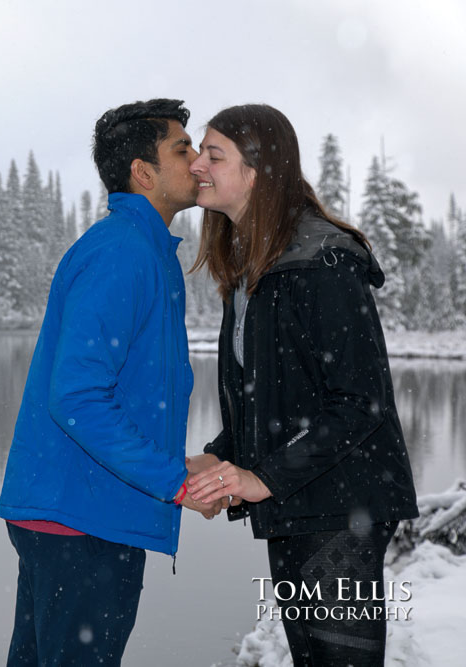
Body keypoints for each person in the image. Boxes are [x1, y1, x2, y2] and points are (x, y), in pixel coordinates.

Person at [185, 104, 419, 667]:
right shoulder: (254, 266)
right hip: (300, 504)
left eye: (213, 155)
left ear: (257, 172)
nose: (196, 164)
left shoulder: (323, 260)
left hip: (343, 509)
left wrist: (261, 476)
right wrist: (221, 459)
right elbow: (275, 401)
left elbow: (360, 403)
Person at [0, 98, 223, 667]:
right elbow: (76, 397)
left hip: (81, 512)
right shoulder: (122, 252)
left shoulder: (143, 248)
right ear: (142, 172)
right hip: (81, 520)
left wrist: (182, 465)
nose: (197, 161)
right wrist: (170, 480)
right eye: (182, 149)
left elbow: (129, 391)